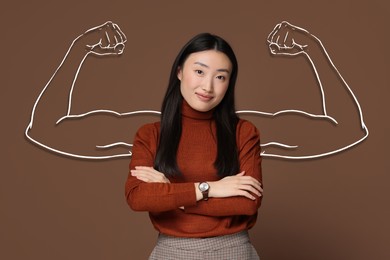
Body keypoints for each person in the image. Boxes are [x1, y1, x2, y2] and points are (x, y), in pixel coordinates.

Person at [125, 33, 263, 259]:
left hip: (232, 251)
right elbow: (138, 197)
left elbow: (248, 203)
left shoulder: (244, 132)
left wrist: (174, 195)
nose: (208, 86)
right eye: (199, 72)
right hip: (172, 252)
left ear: (229, 83)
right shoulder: (150, 134)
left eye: (220, 77)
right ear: (179, 72)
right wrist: (210, 188)